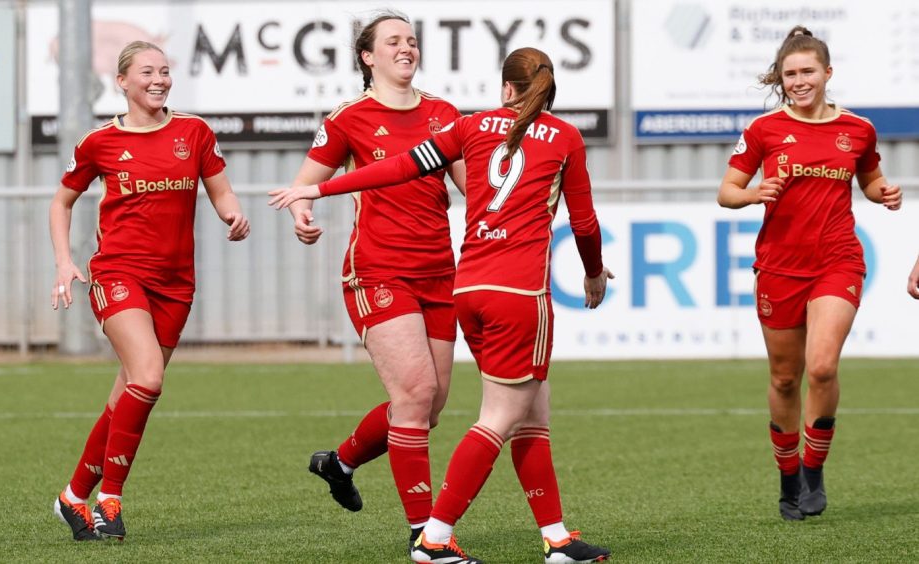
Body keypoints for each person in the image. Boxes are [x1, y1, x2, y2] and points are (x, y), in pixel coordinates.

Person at [271, 47, 613, 564]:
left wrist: (320, 190)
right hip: (519, 294)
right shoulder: (563, 138)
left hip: (465, 288)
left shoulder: (470, 127)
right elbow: (584, 224)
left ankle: (557, 538)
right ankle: (433, 537)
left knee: (529, 415)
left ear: (506, 89)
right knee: (498, 419)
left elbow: (398, 169)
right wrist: (592, 273)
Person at [49, 40, 250, 541]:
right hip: (118, 273)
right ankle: (109, 502)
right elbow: (61, 203)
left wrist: (233, 214)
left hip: (176, 284)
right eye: (147, 72)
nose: (159, 80)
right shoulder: (100, 142)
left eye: (164, 71)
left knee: (129, 395)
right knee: (149, 378)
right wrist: (64, 262)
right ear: (122, 81)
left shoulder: (194, 132)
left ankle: (73, 497)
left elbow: (220, 189)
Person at [282, 11, 466, 553]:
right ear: (368, 56)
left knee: (428, 412)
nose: (406, 48)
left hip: (440, 272)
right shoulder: (349, 118)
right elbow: (305, 184)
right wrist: (302, 216)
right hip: (377, 269)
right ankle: (425, 537)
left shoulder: (444, 113)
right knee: (414, 394)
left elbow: (471, 188)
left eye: (412, 41)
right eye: (394, 41)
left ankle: (338, 463)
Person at [717, 26, 901, 521]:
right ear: (781, 77)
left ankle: (814, 470)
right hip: (779, 265)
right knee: (783, 379)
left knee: (821, 367)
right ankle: (787, 479)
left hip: (837, 260)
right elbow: (727, 191)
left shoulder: (859, 130)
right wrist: (754, 193)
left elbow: (869, 179)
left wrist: (885, 192)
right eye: (790, 73)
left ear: (827, 73)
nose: (799, 81)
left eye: (807, 71)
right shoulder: (764, 130)